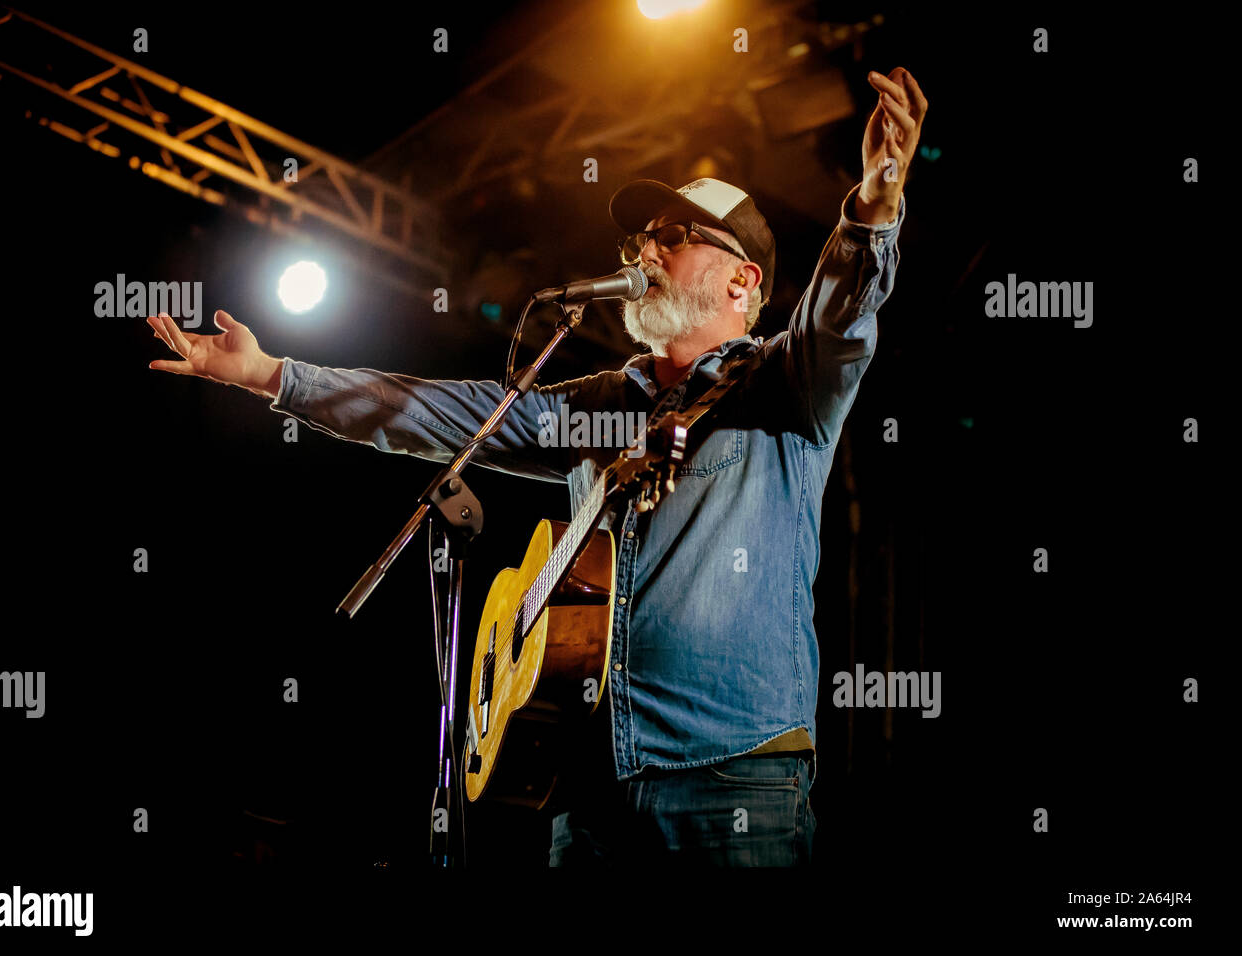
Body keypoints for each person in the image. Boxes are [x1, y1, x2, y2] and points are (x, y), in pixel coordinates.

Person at [147, 67, 928, 866]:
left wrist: (873, 201)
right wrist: (273, 374)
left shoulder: (787, 383)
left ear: (743, 278)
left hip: (732, 778)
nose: (646, 248)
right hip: (586, 789)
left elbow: (843, 309)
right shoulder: (599, 402)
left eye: (674, 235)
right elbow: (437, 412)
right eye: (642, 236)